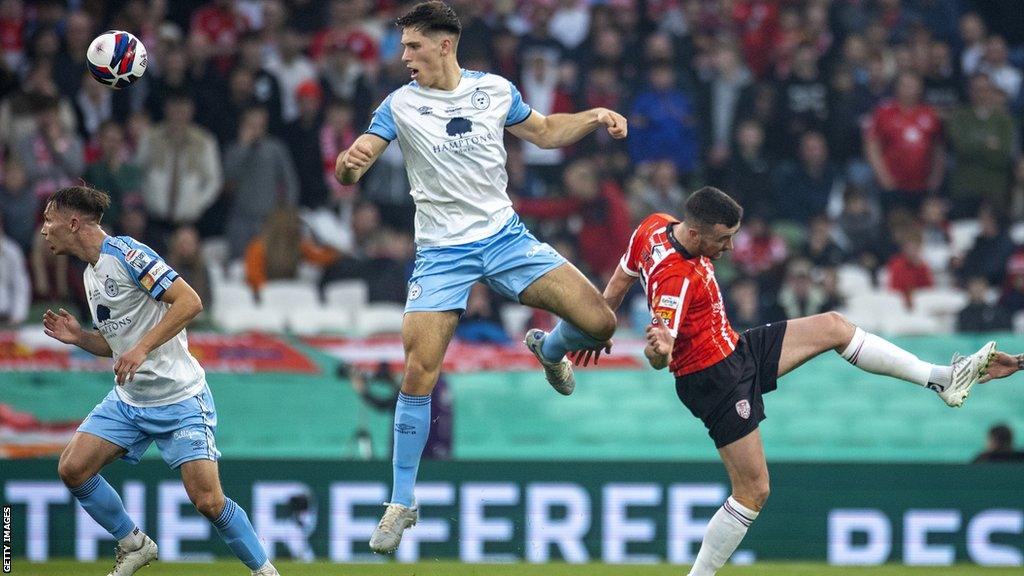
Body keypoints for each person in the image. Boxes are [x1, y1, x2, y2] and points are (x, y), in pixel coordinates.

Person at [564, 187, 1002, 576]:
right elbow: (659, 357)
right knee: (754, 491)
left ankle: (942, 380)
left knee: (833, 326)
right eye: (724, 238)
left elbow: (621, 276)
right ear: (696, 235)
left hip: (734, 350)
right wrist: (658, 349)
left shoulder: (653, 227)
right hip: (711, 378)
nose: (730, 247)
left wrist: (596, 326)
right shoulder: (674, 281)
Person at [334, 1, 625, 554]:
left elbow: (543, 132)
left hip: (504, 238)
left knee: (600, 322)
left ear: (444, 45)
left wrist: (594, 115)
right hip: (442, 253)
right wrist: (351, 164)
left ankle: (551, 351)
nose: (404, 56)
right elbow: (361, 155)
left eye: (412, 45)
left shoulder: (494, 90)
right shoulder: (398, 104)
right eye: (402, 47)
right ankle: (400, 501)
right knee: (419, 370)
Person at [39, 186, 279, 576]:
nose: (44, 229)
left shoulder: (129, 254)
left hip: (179, 397)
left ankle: (266, 572)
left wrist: (142, 349)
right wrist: (81, 338)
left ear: (73, 222)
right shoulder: (89, 274)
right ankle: (133, 544)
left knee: (208, 501)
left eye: (49, 220)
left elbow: (190, 302)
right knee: (73, 468)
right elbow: (119, 346)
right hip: (130, 401)